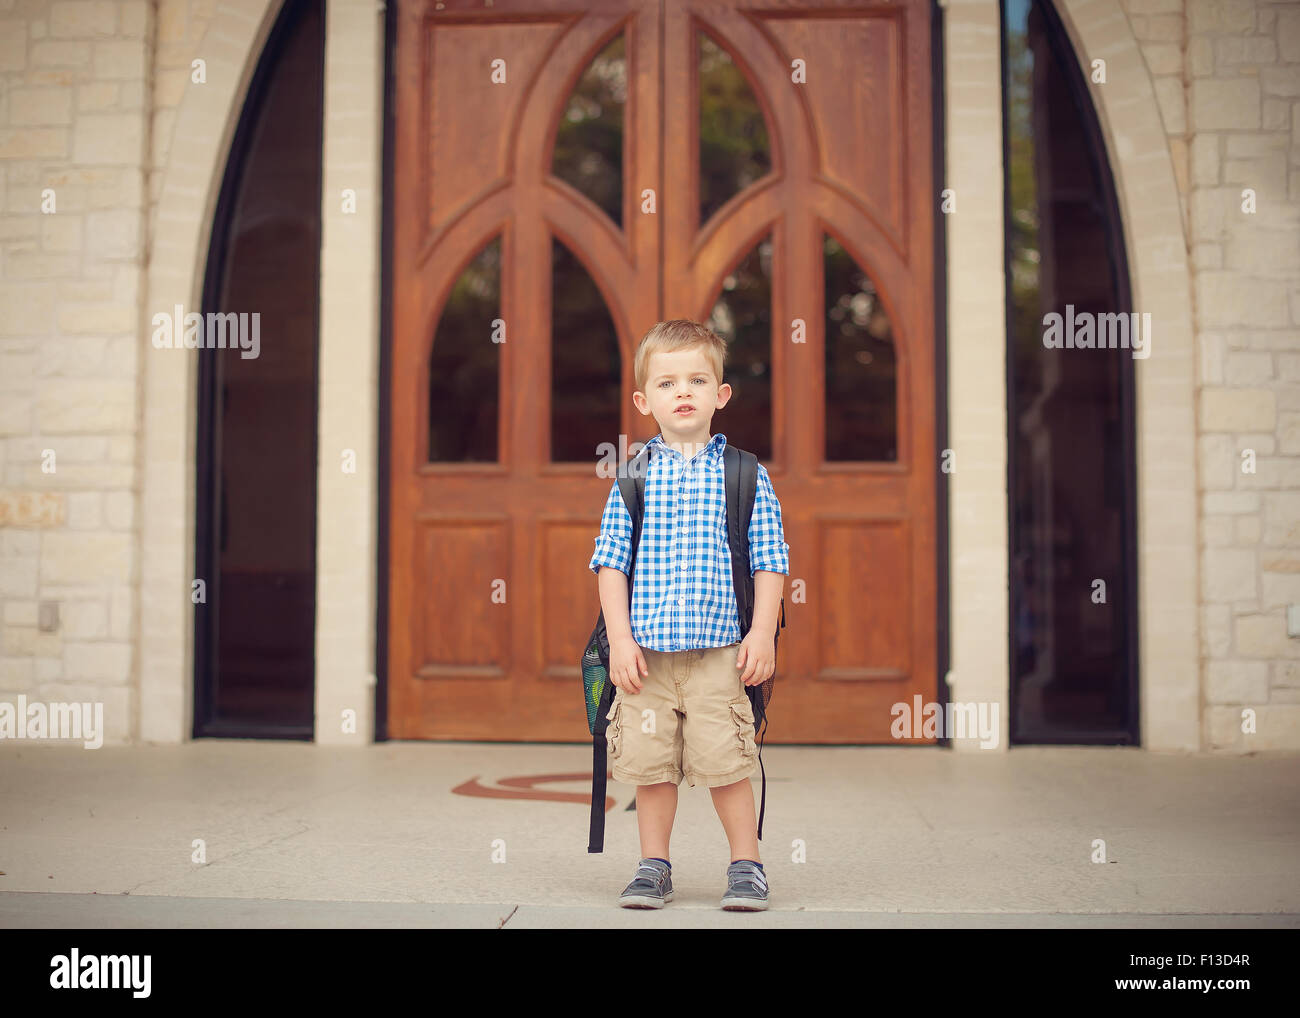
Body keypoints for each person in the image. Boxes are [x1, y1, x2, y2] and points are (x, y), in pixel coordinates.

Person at [588, 319, 790, 910]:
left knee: (728, 762)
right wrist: (620, 641)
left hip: (721, 653)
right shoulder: (632, 476)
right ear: (643, 400)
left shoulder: (746, 475)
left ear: (720, 395)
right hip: (645, 659)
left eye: (697, 380)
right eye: (668, 382)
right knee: (652, 770)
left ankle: (746, 864)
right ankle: (654, 865)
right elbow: (610, 565)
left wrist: (761, 635)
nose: (683, 392)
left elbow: (770, 560)